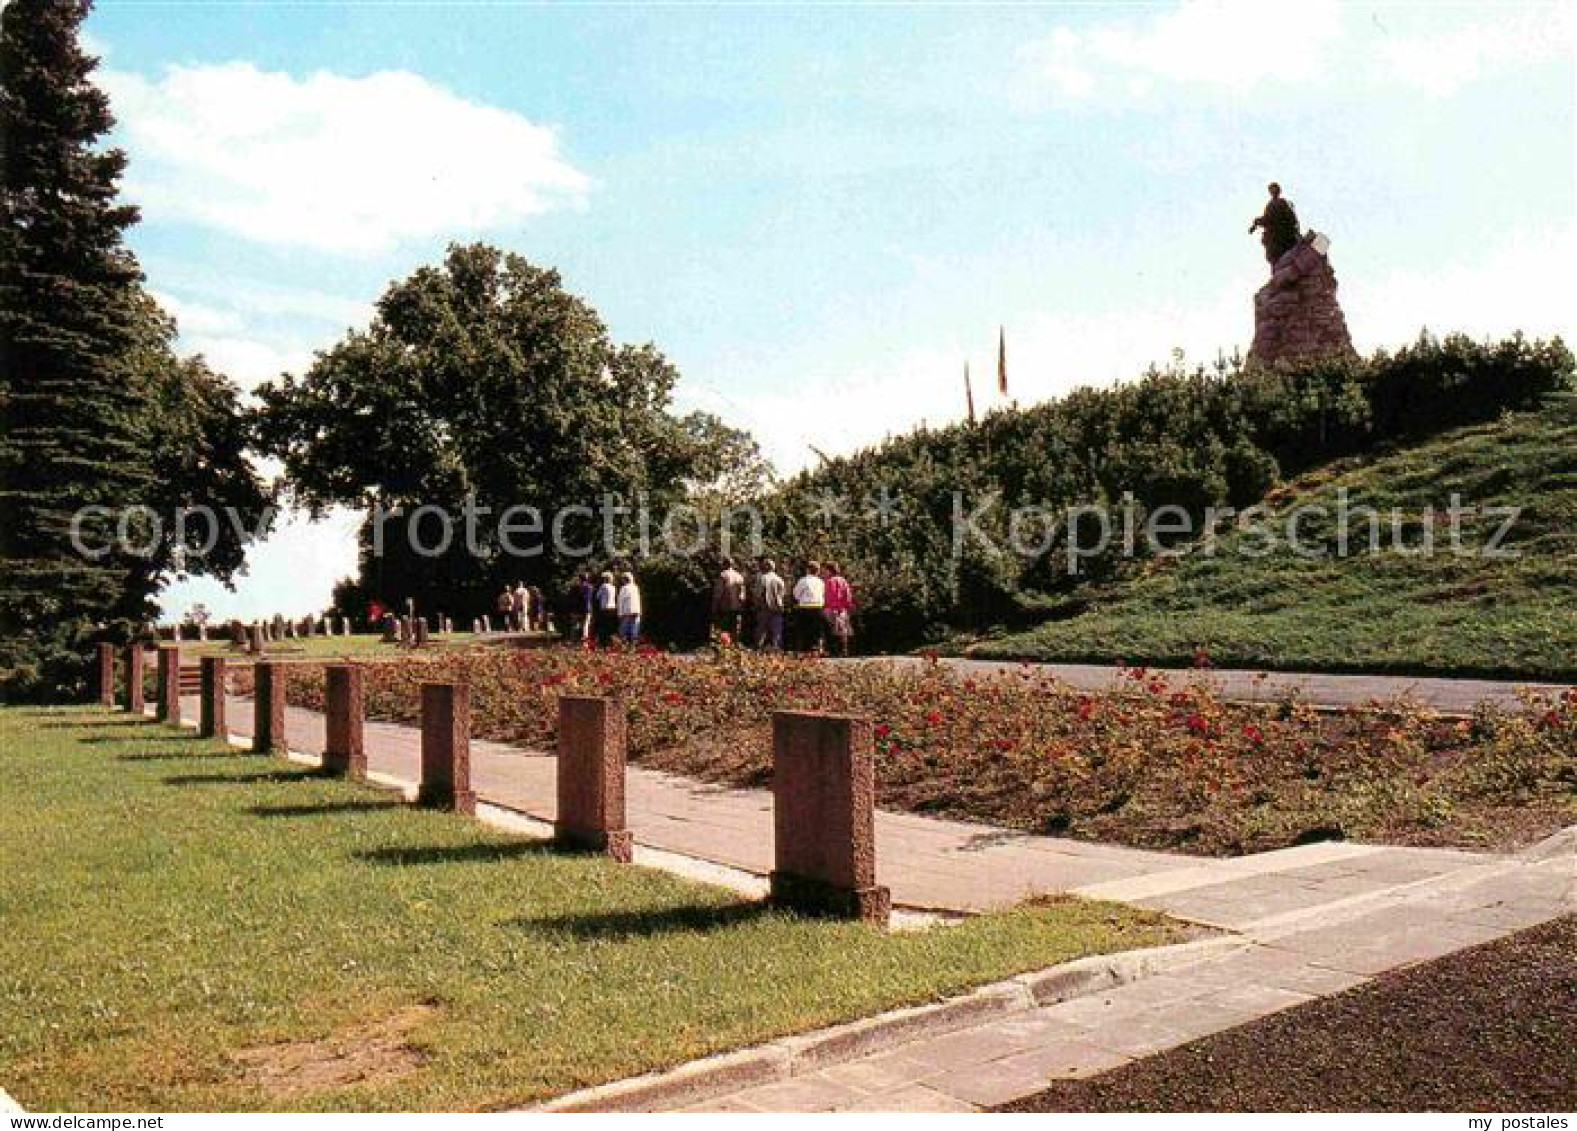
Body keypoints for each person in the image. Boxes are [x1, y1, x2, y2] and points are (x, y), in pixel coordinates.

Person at [1249, 181, 1300, 266]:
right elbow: (1266, 219)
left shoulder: (1282, 202)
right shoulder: (1270, 205)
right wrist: (1256, 223)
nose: (1273, 191)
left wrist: (1257, 223)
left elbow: (1291, 218)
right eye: (1271, 190)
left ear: (1278, 190)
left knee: (1275, 254)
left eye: (1275, 189)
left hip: (1283, 236)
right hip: (1279, 237)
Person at [791, 560, 826, 653]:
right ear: (817, 571)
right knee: (818, 630)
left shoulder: (803, 580)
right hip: (818, 606)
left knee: (802, 629)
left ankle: (801, 649)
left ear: (808, 570)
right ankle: (819, 648)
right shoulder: (821, 581)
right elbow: (823, 593)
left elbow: (796, 594)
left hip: (805, 606)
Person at [821, 561, 855, 657]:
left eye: (825, 570)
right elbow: (848, 595)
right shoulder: (843, 580)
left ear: (829, 570)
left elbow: (828, 596)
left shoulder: (829, 581)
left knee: (830, 630)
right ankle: (844, 650)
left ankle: (832, 651)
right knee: (843, 630)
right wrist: (847, 606)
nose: (823, 572)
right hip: (842, 609)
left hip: (831, 608)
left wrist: (825, 606)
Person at [710, 556, 747, 642]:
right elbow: (742, 594)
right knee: (734, 627)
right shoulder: (739, 576)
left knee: (724, 627)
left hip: (725, 605)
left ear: (724, 564)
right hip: (737, 606)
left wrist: (714, 606)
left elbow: (718, 593)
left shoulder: (723, 575)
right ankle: (734, 643)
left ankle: (724, 644)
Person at [752, 558, 786, 650]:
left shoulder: (762, 578)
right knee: (777, 629)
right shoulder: (779, 579)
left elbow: (758, 594)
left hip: (764, 606)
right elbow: (783, 594)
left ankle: (758, 648)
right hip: (777, 607)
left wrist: (756, 605)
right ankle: (777, 648)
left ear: (766, 567)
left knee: (761, 629)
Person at [593, 571, 619, 646]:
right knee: (610, 626)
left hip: (605, 608)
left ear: (605, 579)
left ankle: (603, 642)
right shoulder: (613, 587)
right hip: (613, 608)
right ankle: (610, 642)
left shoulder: (603, 586)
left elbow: (597, 596)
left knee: (603, 626)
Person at [615, 571, 642, 643]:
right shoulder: (635, 587)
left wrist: (619, 613)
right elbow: (638, 599)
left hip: (627, 611)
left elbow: (620, 601)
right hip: (636, 610)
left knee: (624, 629)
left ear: (625, 579)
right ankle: (633, 644)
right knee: (635, 629)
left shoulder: (624, 588)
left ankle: (624, 644)